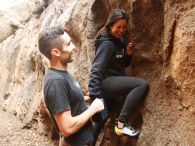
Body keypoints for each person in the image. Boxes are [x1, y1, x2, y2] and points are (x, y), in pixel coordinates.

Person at [88, 9, 149, 142]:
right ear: (110, 25)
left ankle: (87, 143)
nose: (121, 30)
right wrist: (94, 95)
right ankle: (121, 124)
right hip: (105, 83)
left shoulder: (119, 41)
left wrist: (128, 54)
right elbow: (96, 69)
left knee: (103, 117)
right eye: (118, 27)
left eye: (124, 27)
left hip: (112, 83)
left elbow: (123, 65)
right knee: (141, 85)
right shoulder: (106, 44)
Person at [38, 26, 104, 146]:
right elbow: (67, 128)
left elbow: (66, 100)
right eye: (68, 44)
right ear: (55, 52)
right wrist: (93, 109)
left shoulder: (63, 74)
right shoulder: (55, 82)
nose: (73, 47)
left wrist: (83, 99)